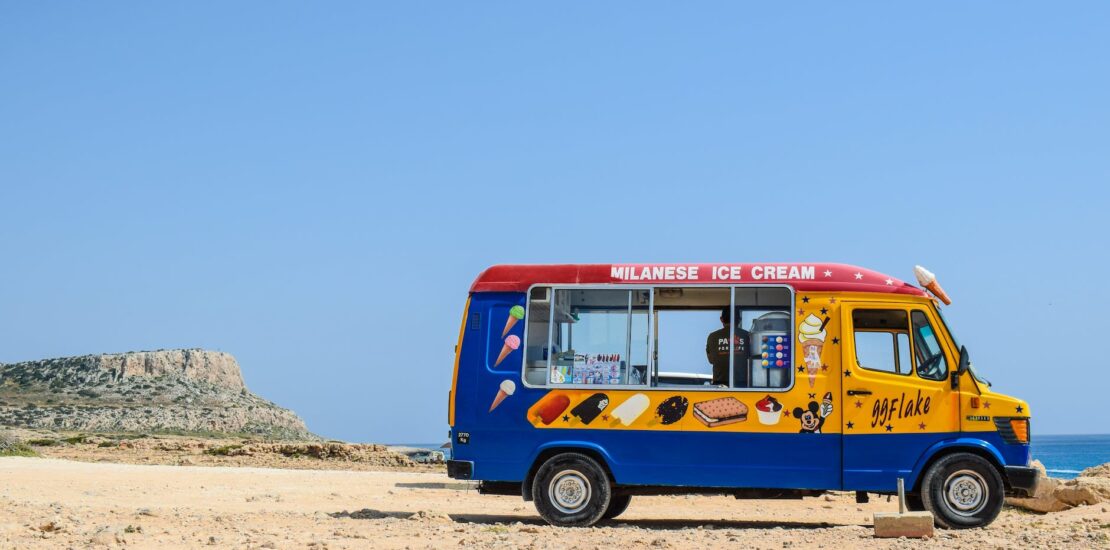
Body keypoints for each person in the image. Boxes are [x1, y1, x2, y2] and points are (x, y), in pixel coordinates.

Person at [705, 307, 750, 387]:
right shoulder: (748, 336)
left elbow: (711, 360)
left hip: (719, 384)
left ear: (721, 319)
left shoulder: (713, 337)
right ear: (739, 320)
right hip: (743, 384)